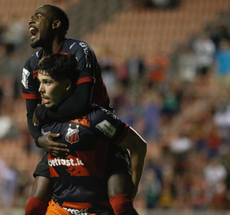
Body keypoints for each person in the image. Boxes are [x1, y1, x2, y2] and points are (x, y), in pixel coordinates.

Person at [22, 5, 146, 215]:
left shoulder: (79, 51)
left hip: (98, 134)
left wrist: (44, 114)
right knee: (33, 207)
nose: (30, 21)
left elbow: (81, 102)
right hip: (61, 137)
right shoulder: (31, 65)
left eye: (38, 17)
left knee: (121, 205)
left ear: (55, 24)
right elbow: (30, 115)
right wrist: (38, 139)